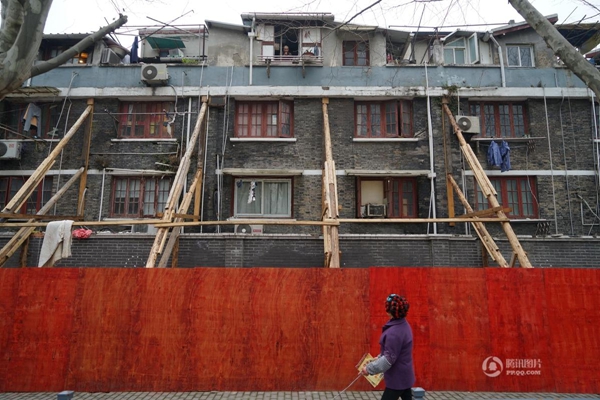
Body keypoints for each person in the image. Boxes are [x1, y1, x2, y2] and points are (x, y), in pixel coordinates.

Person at [361, 294, 415, 400]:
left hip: (397, 379)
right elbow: (395, 351)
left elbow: (388, 360)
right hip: (405, 376)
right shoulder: (404, 325)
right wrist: (380, 356)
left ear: (389, 311)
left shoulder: (394, 333)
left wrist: (368, 369)